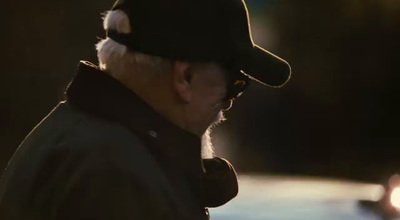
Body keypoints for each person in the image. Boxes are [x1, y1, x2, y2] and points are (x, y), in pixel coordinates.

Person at [0, 0, 291, 219]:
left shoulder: (83, 142)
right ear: (185, 78)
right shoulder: (115, 173)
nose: (229, 102)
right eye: (235, 84)